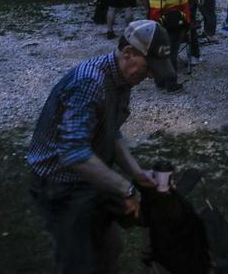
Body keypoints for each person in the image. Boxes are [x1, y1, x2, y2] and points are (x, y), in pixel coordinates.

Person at [27, 20, 176, 273]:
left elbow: (111, 132)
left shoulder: (122, 80)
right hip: (60, 184)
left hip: (90, 175)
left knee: (110, 247)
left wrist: (137, 174)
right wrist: (126, 189)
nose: (151, 75)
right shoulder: (90, 83)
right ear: (128, 53)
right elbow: (74, 154)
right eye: (149, 66)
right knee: (79, 262)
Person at [138, 0, 190, 93]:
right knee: (172, 50)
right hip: (172, 16)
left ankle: (159, 80)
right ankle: (171, 83)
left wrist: (147, 8)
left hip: (156, 15)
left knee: (159, 49)